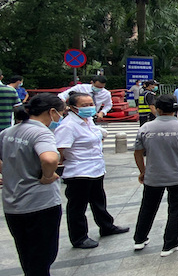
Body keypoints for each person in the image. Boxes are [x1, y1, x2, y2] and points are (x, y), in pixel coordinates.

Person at [0, 94, 72, 276]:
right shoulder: (40, 132)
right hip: (39, 202)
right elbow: (50, 159)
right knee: (43, 248)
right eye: (61, 111)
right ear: (51, 112)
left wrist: (8, 173)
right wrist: (47, 176)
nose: (61, 116)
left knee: (25, 246)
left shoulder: (9, 132)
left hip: (13, 201)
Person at [55, 92, 129, 249]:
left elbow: (98, 135)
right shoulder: (68, 126)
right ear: (73, 108)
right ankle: (79, 237)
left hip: (96, 168)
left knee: (98, 200)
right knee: (77, 207)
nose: (89, 108)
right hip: (78, 171)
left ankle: (106, 226)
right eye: (84, 105)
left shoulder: (87, 120)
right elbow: (59, 150)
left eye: (91, 104)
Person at [132, 94, 178, 256]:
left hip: (153, 175)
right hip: (177, 175)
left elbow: (138, 153)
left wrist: (143, 171)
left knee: (147, 207)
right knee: (174, 209)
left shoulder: (146, 128)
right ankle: (170, 243)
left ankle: (139, 239)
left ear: (158, 109)